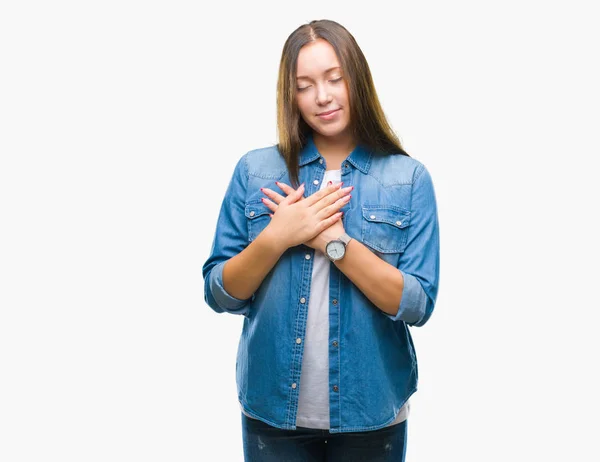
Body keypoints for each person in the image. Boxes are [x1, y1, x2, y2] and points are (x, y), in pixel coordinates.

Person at [202, 19, 440, 462]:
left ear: (358, 80)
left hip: (372, 413)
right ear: (289, 95)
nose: (323, 97)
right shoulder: (256, 172)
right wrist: (278, 236)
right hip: (271, 412)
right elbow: (220, 294)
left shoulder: (408, 179)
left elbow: (417, 304)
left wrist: (335, 243)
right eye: (305, 85)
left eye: (335, 79)